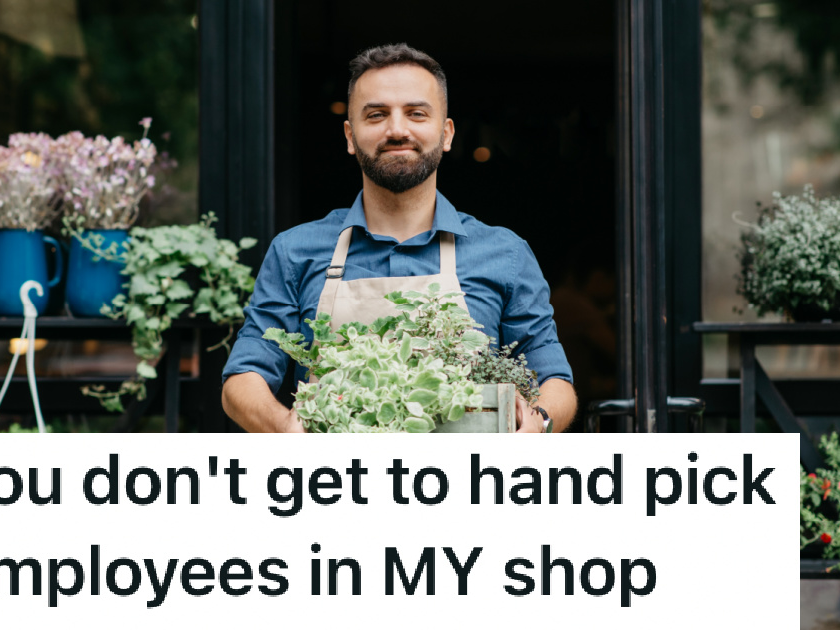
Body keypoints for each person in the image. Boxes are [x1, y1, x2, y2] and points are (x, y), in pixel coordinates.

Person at [221, 43, 577, 433]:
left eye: (416, 113)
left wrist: (538, 423)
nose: (397, 130)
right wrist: (284, 427)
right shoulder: (294, 251)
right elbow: (244, 376)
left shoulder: (505, 254)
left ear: (446, 133)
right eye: (376, 115)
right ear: (350, 136)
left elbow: (553, 377)